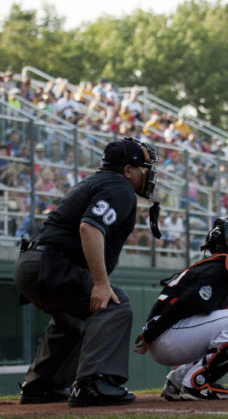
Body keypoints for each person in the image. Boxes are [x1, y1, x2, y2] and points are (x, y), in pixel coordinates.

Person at [13, 137, 160, 406]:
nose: (146, 175)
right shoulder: (120, 188)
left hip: (32, 263)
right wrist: (101, 283)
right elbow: (89, 227)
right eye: (143, 168)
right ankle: (93, 383)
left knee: (72, 321)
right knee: (114, 303)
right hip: (51, 264)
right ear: (127, 170)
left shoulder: (97, 182)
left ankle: (42, 385)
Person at [134, 217, 228, 400]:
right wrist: (151, 334)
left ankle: (177, 381)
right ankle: (197, 383)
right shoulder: (223, 268)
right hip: (165, 333)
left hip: (167, 332)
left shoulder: (219, 266)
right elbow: (187, 303)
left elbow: (216, 321)